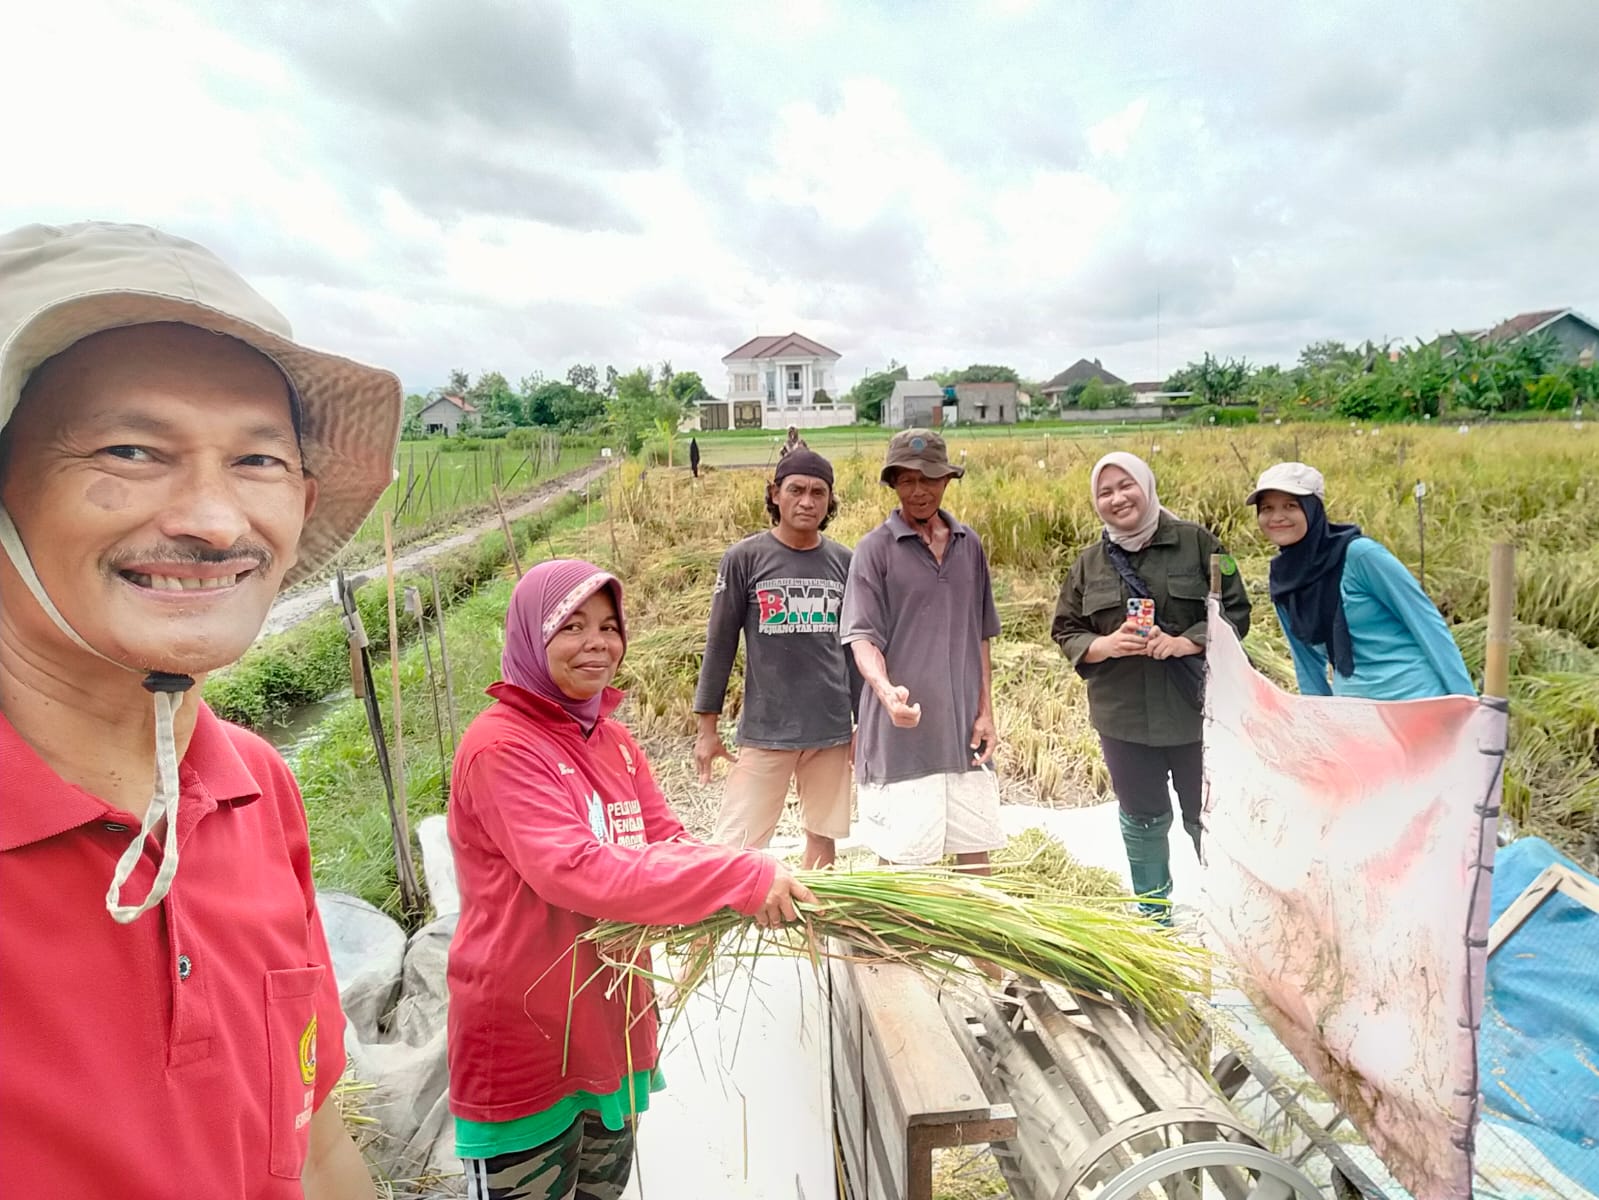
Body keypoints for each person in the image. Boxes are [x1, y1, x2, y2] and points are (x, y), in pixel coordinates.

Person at [0, 221, 400, 1195]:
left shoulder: (256, 790)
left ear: (303, 499)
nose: (216, 522)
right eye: (133, 449)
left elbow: (314, 1148)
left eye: (257, 462)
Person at [447, 558, 815, 1200]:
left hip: (609, 1024)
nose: (598, 643)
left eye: (610, 626)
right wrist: (734, 877)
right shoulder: (501, 747)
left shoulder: (613, 741)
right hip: (527, 1036)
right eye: (572, 626)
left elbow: (665, 839)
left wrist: (721, 889)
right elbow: (573, 869)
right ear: (532, 637)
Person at [1051, 452, 1252, 923]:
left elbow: (1237, 613)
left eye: (1126, 486)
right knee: (1142, 818)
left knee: (1209, 817)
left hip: (1194, 713)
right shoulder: (1088, 564)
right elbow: (1065, 629)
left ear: (1147, 485)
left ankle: (1230, 914)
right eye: (1105, 491)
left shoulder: (1201, 544)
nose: (1117, 498)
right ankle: (1153, 914)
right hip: (1123, 719)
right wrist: (1105, 645)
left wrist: (1185, 642)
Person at [841, 429, 1004, 870]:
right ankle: (890, 945)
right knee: (904, 870)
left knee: (977, 863)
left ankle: (973, 941)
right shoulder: (875, 550)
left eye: (929, 478)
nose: (919, 490)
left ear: (947, 480)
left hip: (963, 733)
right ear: (893, 484)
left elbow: (980, 634)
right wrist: (885, 690)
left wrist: (985, 711)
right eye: (907, 480)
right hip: (903, 738)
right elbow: (862, 637)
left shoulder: (969, 546)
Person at [693, 449, 862, 868]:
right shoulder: (745, 559)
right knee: (734, 848)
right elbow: (719, 645)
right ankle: (706, 932)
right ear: (775, 494)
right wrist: (706, 729)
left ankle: (812, 933)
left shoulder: (845, 562)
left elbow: (855, 648)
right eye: (796, 490)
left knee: (823, 842)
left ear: (829, 500)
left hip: (830, 730)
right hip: (767, 729)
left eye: (818, 493)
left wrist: (864, 723)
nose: (807, 501)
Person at [1248, 461, 1475, 700]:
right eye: (1267, 508)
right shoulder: (1284, 579)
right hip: (1356, 710)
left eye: (1290, 506)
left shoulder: (1360, 556)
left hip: (1416, 698)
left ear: (1312, 508)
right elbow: (1306, 663)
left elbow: (1427, 624)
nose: (1277, 517)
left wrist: (1467, 702)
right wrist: (1318, 722)